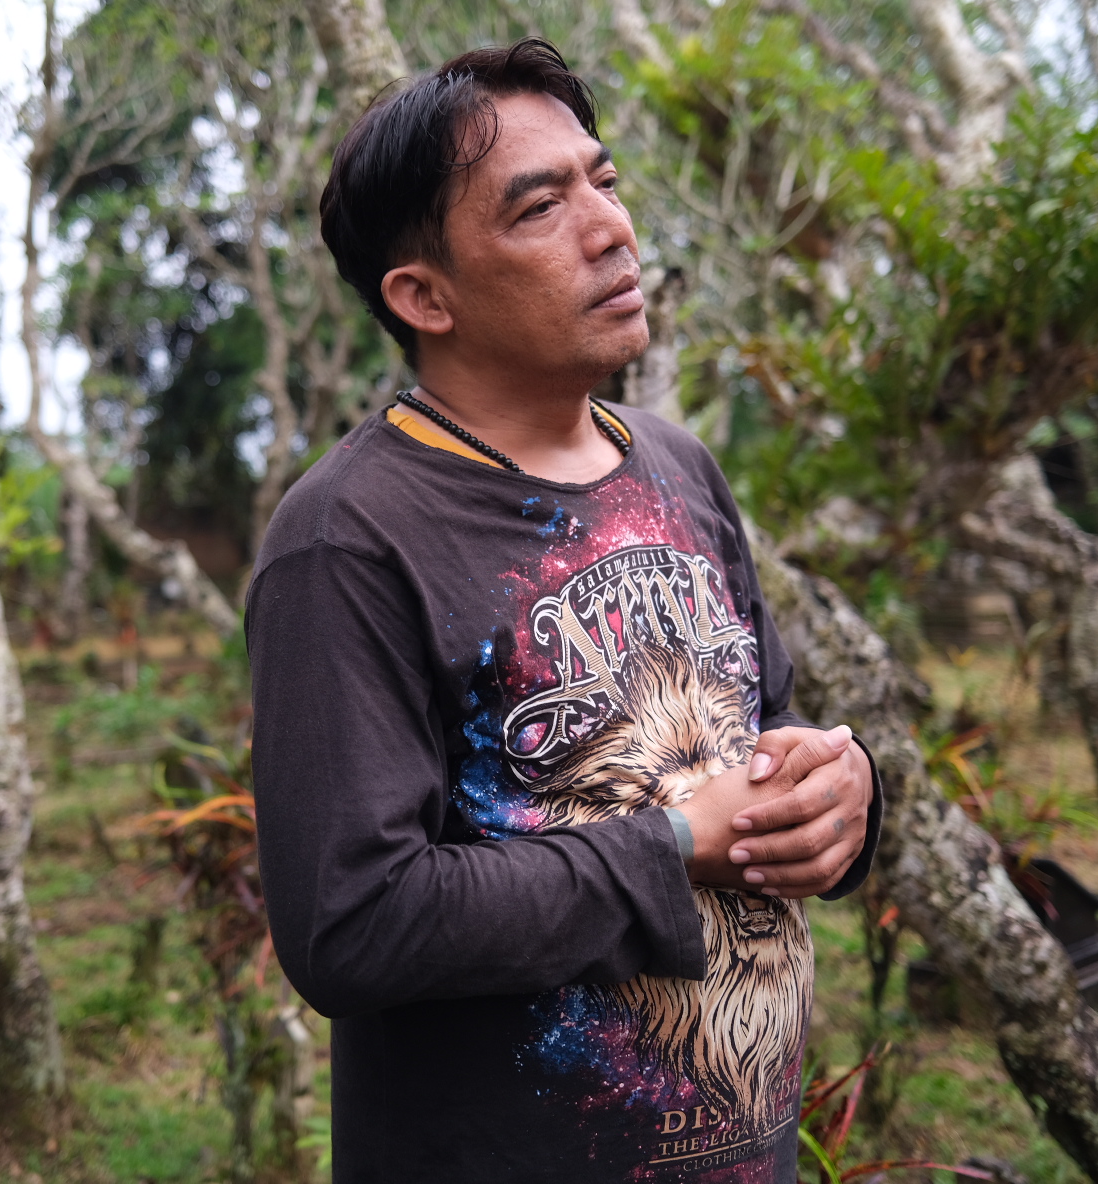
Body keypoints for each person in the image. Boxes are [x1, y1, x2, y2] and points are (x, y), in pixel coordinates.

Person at [246, 37, 881, 1184]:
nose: (610, 227)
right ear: (422, 295)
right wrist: (684, 841)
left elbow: (767, 738)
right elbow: (354, 921)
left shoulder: (677, 466)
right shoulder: (349, 535)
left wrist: (846, 794)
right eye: (541, 206)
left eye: (606, 180)